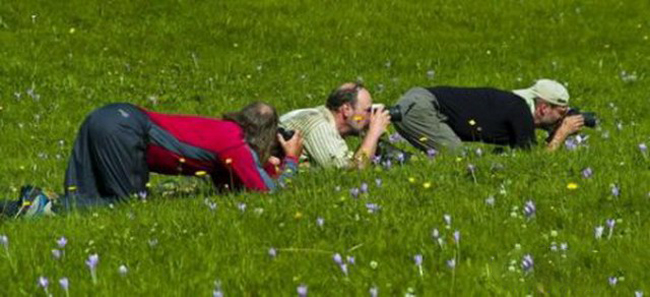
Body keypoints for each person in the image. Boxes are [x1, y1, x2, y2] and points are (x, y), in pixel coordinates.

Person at [1, 102, 303, 218]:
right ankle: (41, 202)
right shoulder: (236, 146)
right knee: (124, 207)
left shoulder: (224, 131)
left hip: (107, 115)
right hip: (126, 129)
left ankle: (16, 208)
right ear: (265, 136)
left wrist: (265, 166)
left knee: (81, 204)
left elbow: (230, 187)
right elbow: (267, 195)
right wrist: (290, 160)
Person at [392, 79, 584, 153]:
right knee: (458, 160)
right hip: (421, 107)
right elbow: (536, 161)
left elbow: (522, 154)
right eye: (561, 112)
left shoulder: (516, 106)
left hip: (418, 102)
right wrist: (561, 134)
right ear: (543, 108)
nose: (562, 119)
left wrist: (553, 132)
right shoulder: (520, 110)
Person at [279, 82, 391, 169]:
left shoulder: (322, 117)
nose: (371, 116)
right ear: (346, 109)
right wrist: (373, 133)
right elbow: (352, 171)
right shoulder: (320, 127)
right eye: (368, 110)